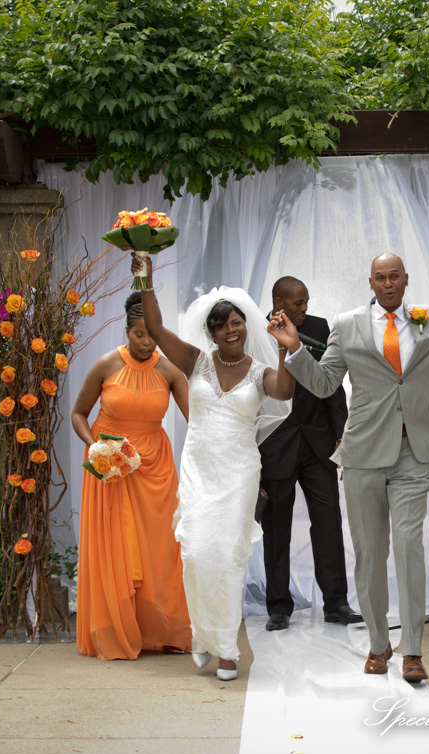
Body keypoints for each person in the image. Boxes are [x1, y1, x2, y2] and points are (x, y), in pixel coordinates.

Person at [268, 245, 429, 683]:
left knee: (408, 548)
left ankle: (414, 652)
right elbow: (326, 384)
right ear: (371, 283)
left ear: (406, 280)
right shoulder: (348, 326)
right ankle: (379, 644)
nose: (387, 284)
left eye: (394, 276)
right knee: (369, 555)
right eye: (380, 277)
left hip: (413, 451)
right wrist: (294, 350)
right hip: (364, 451)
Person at [135, 255, 295, 681]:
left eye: (237, 323)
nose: (231, 330)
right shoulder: (195, 361)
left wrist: (284, 347)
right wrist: (145, 280)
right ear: (211, 332)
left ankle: (226, 649)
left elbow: (285, 388)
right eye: (222, 325)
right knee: (196, 554)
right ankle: (201, 636)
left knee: (226, 557)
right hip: (199, 471)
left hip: (240, 473)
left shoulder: (261, 373)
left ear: (247, 326)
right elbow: (154, 328)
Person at [72, 291, 193, 661]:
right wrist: (96, 448)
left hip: (156, 471)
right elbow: (79, 413)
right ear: (127, 332)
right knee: (118, 551)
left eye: (152, 334)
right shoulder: (106, 365)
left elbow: (198, 423)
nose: (147, 342)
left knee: (159, 550)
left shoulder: (170, 371)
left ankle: (162, 630)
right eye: (139, 334)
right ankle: (117, 629)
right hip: (111, 469)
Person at [258, 277, 361, 631]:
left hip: (319, 444)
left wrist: (341, 435)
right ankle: (278, 607)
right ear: (278, 302)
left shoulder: (319, 328)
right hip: (276, 446)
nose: (304, 309)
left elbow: (333, 387)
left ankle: (336, 603)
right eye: (297, 303)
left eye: (306, 302)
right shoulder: (257, 333)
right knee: (277, 529)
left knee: (329, 521)